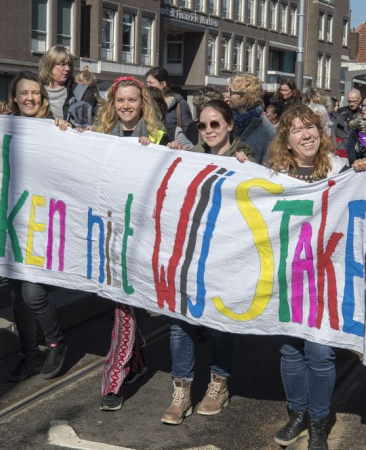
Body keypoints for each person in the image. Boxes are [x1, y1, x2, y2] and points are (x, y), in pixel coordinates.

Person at [160, 102, 249, 425]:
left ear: (229, 126)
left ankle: (218, 385)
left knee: (219, 320)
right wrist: (166, 154)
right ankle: (181, 391)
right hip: (190, 251)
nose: (209, 130)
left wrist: (246, 167)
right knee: (178, 319)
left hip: (227, 255)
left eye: (215, 124)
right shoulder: (190, 157)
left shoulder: (246, 157)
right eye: (202, 125)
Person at [267, 104, 349, 450]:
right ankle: (297, 413)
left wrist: (365, 172)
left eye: (311, 127)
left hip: (327, 277)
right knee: (290, 350)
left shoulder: (341, 170)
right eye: (297, 130)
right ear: (286, 141)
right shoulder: (272, 176)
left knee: (320, 353)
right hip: (288, 276)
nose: (306, 134)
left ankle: (318, 420)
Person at [93, 76, 167, 411]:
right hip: (107, 231)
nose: (126, 106)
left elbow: (191, 156)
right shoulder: (98, 137)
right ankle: (136, 362)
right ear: (112, 103)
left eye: (132, 100)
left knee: (124, 304)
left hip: (142, 235)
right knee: (125, 303)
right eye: (120, 101)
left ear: (143, 103)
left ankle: (114, 379)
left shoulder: (159, 136)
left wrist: (174, 150)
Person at [3, 71, 72, 382]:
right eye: (23, 93)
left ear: (43, 98)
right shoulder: (0, 125)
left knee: (33, 293)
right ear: (15, 98)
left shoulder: (55, 129)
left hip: (45, 225)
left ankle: (57, 343)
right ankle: (29, 353)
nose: (29, 98)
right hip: (13, 224)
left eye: (35, 93)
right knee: (18, 295)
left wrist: (68, 132)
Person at [39, 45, 98, 126]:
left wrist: (93, 127)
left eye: (69, 65)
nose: (67, 69)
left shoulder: (83, 93)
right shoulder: (36, 91)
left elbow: (100, 122)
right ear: (49, 66)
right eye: (62, 64)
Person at [226, 73, 276, 163]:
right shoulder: (225, 120)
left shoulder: (268, 131)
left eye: (231, 92)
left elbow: (268, 169)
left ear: (245, 98)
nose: (227, 95)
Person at [146, 66, 193, 147]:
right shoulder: (145, 102)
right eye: (147, 82)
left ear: (163, 84)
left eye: (151, 83)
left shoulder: (179, 104)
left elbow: (188, 130)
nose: (147, 85)